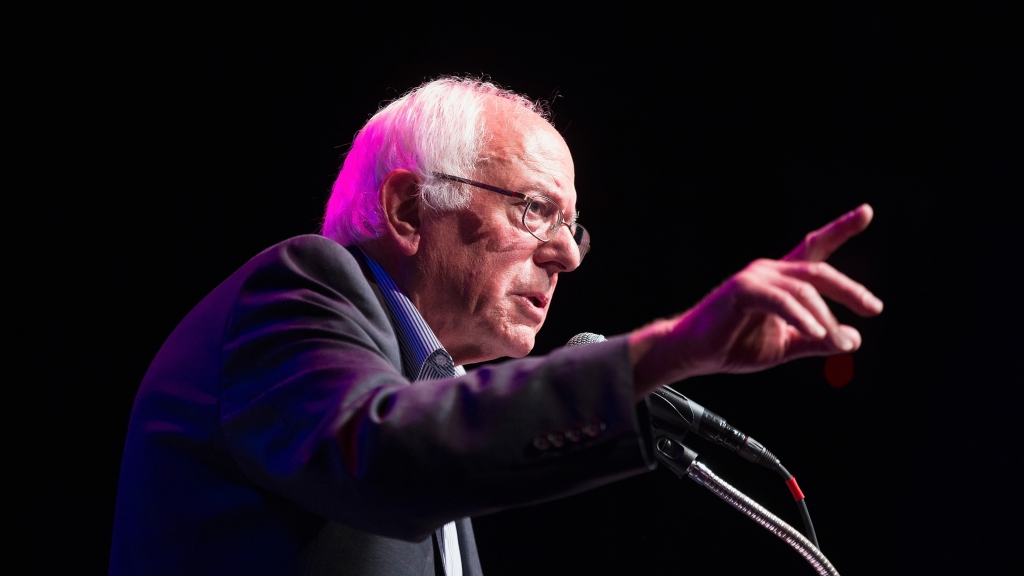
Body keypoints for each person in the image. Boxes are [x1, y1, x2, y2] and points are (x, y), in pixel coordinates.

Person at [110, 77, 883, 575]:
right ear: (410, 210)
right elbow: (388, 451)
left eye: (572, 226)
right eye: (534, 209)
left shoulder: (437, 391)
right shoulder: (300, 289)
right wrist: (664, 350)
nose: (565, 256)